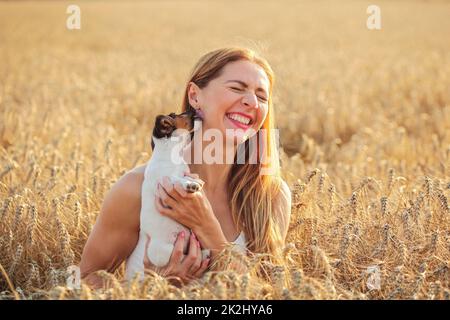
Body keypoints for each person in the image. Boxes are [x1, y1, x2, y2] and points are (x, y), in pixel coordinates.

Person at [79, 47, 292, 288]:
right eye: (236, 88)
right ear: (194, 96)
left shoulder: (270, 196)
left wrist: (207, 227)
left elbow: (267, 294)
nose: (252, 102)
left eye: (262, 96)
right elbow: (85, 281)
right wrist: (154, 288)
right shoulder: (138, 189)